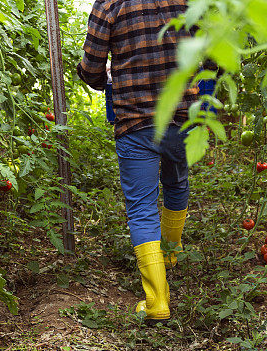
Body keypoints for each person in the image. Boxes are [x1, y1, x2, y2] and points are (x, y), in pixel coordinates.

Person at [77, 0, 198, 322]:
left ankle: (157, 301)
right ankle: (170, 254)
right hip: (182, 118)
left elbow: (91, 69)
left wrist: (109, 78)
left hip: (135, 122)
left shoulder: (109, 5)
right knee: (177, 183)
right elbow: (213, 54)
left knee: (141, 207)